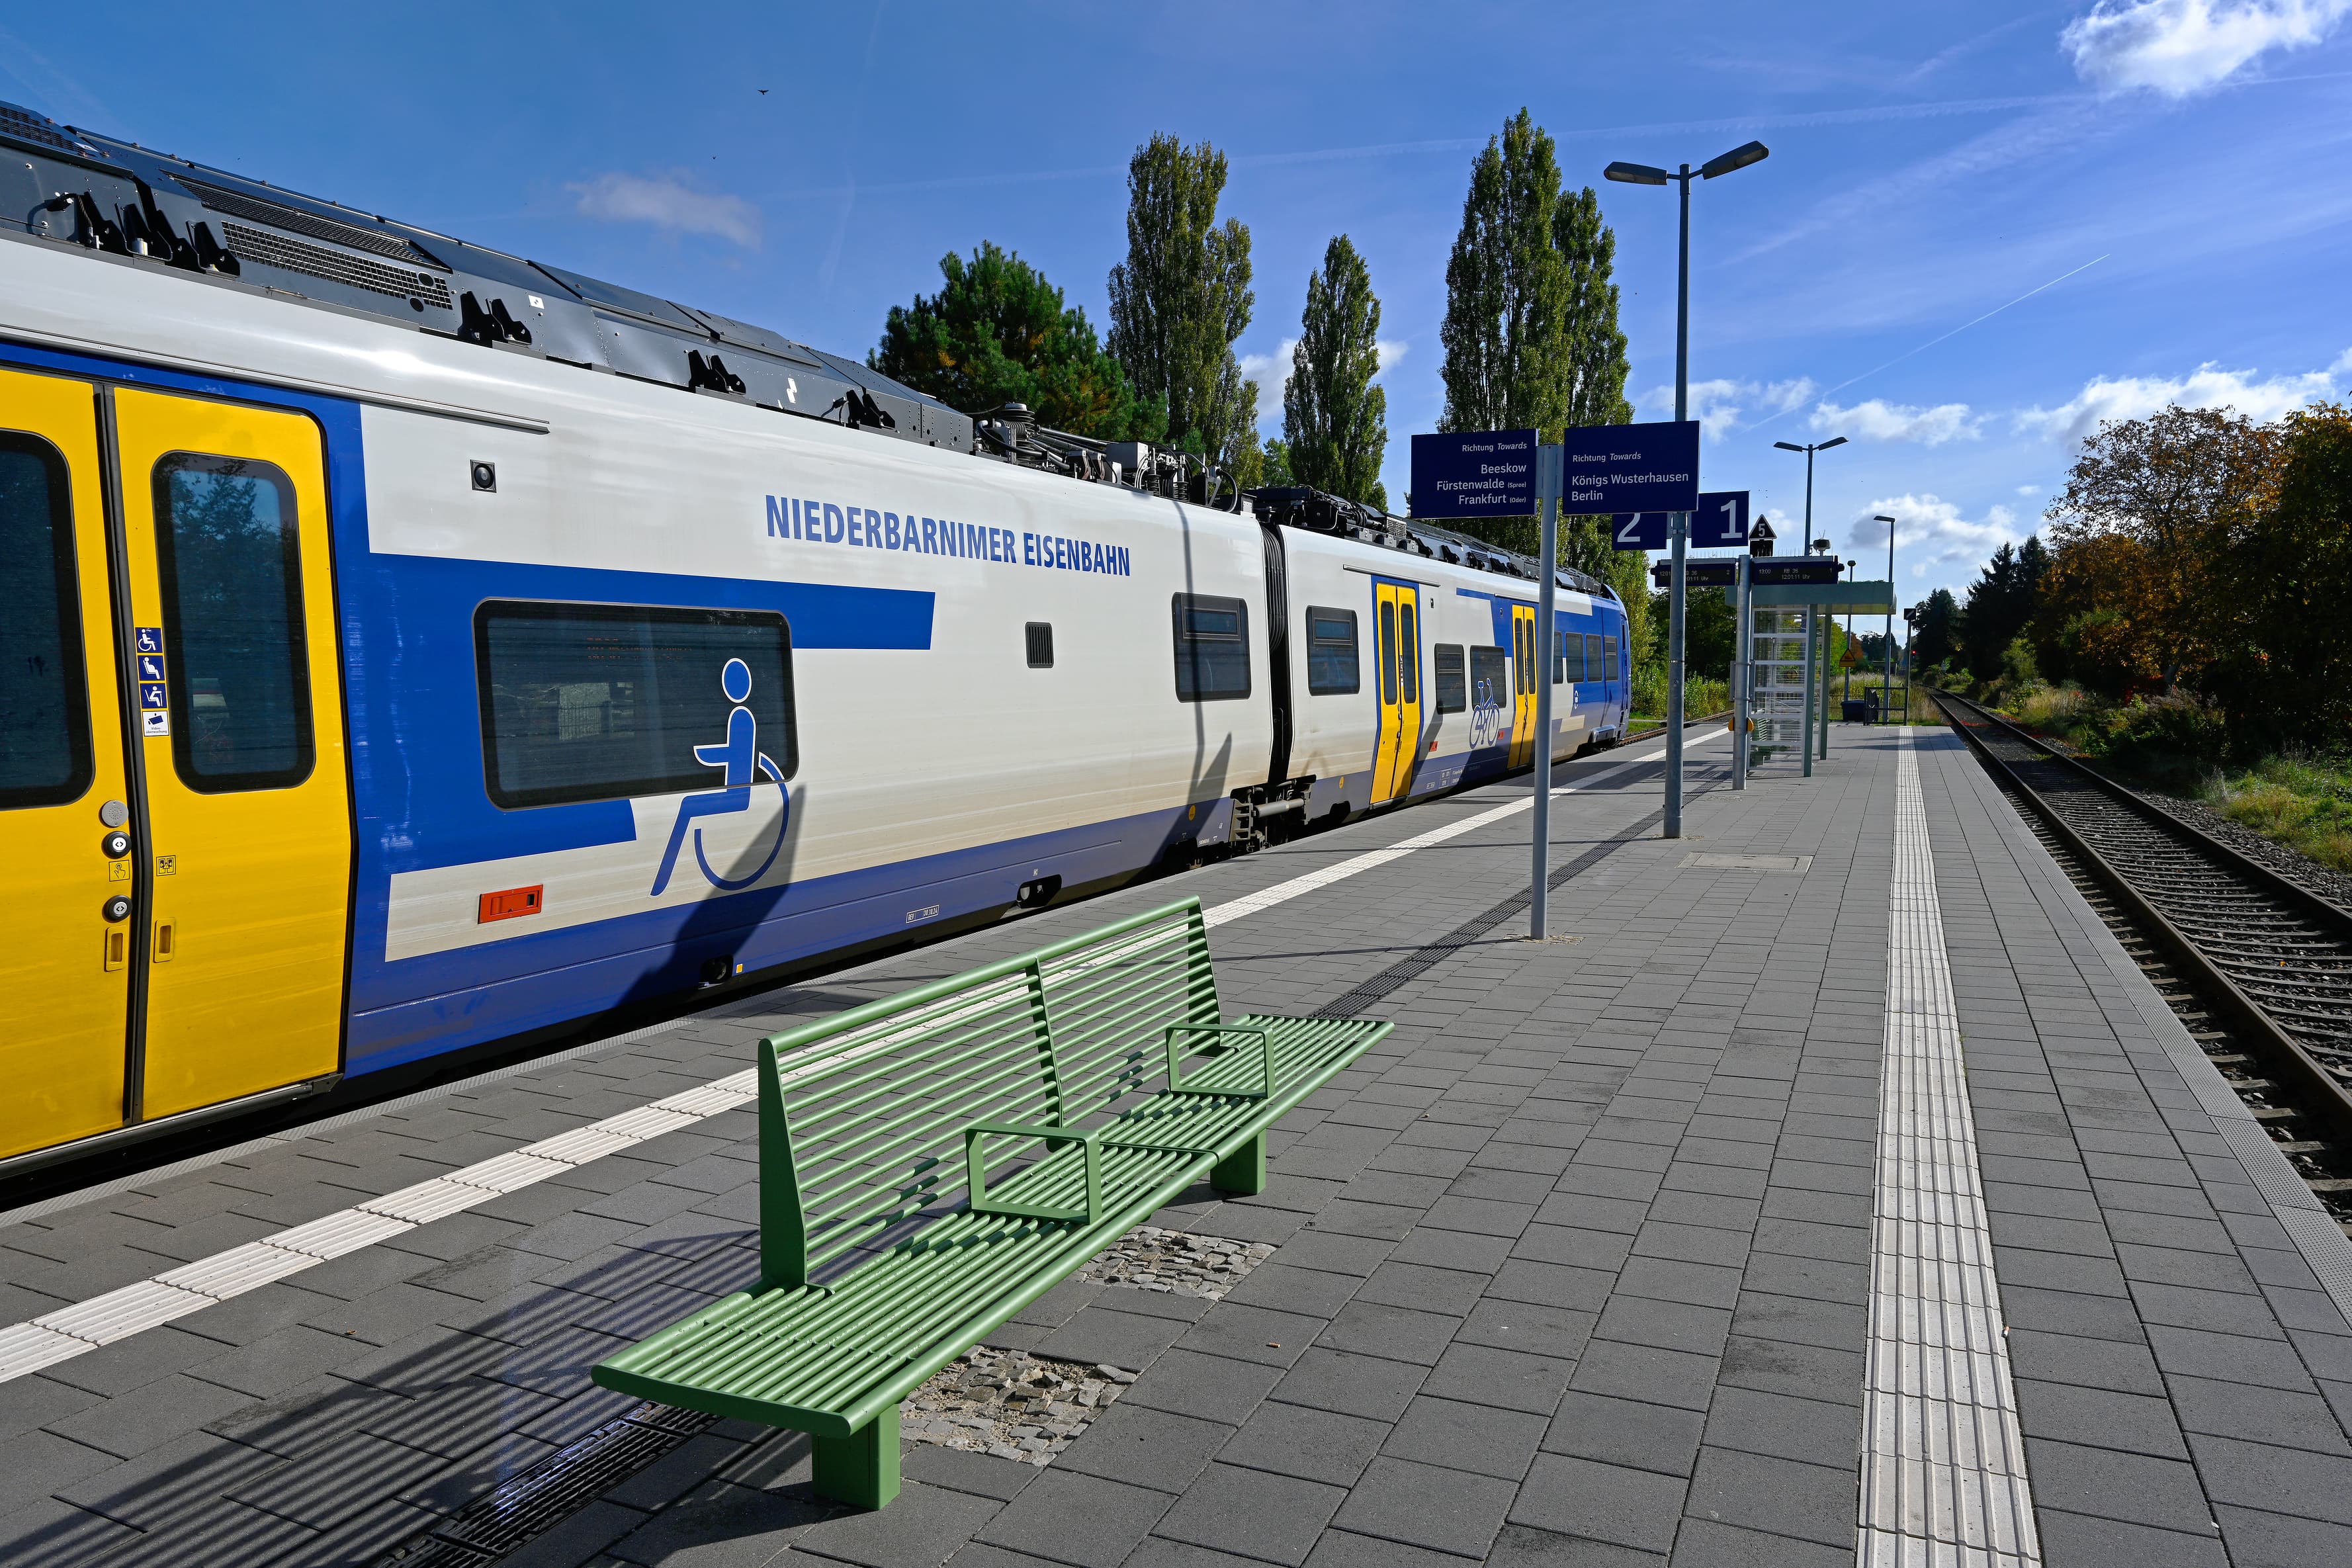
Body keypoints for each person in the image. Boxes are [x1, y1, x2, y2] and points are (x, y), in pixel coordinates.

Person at [650, 658, 786, 896]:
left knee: (688, 805)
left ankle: (663, 875)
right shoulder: (740, 715)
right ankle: (663, 874)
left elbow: (736, 752)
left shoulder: (741, 718)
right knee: (688, 805)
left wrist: (702, 754)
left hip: (737, 793)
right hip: (734, 787)